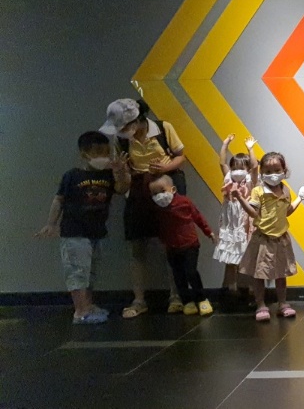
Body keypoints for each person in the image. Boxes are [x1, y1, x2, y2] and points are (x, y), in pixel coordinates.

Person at [100, 98, 184, 318]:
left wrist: (165, 167)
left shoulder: (163, 128)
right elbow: (122, 185)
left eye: (124, 127)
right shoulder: (121, 141)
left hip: (165, 186)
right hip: (138, 189)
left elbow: (181, 157)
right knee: (137, 244)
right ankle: (139, 299)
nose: (122, 131)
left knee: (172, 243)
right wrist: (121, 172)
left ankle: (176, 295)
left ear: (136, 121)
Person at [36, 131, 130, 324]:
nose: (103, 157)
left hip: (96, 232)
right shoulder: (72, 176)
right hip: (74, 232)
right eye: (97, 153)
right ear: (84, 154)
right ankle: (80, 311)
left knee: (89, 272)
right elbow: (59, 199)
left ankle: (88, 305)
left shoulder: (108, 175)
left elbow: (122, 189)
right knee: (77, 271)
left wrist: (121, 171)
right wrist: (51, 223)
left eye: (106, 153)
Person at [234, 152, 304, 321]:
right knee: (259, 274)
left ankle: (282, 303)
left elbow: (287, 211)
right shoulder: (258, 191)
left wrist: (299, 199)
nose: (273, 174)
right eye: (268, 171)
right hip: (263, 239)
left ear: (284, 170)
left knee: (281, 273)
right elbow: (253, 213)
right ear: (261, 172)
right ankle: (261, 304)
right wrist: (240, 198)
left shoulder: (286, 190)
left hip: (281, 238)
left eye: (277, 170)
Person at [148, 175, 215, 316]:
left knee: (191, 272)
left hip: (190, 244)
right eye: (154, 193)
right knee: (178, 275)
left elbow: (198, 217)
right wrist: (162, 241)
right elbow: (158, 227)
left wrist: (209, 232)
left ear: (173, 189)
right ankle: (187, 302)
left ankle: (201, 299)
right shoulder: (157, 209)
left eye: (162, 191)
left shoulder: (185, 202)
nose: (159, 196)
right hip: (172, 247)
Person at [215, 134, 259, 301]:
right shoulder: (229, 179)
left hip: (245, 222)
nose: (237, 171)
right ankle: (231, 287)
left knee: (249, 255)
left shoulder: (250, 181)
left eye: (241, 167)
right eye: (234, 168)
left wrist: (250, 149)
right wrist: (225, 144)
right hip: (231, 223)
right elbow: (222, 163)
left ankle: (252, 288)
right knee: (231, 254)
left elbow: (255, 166)